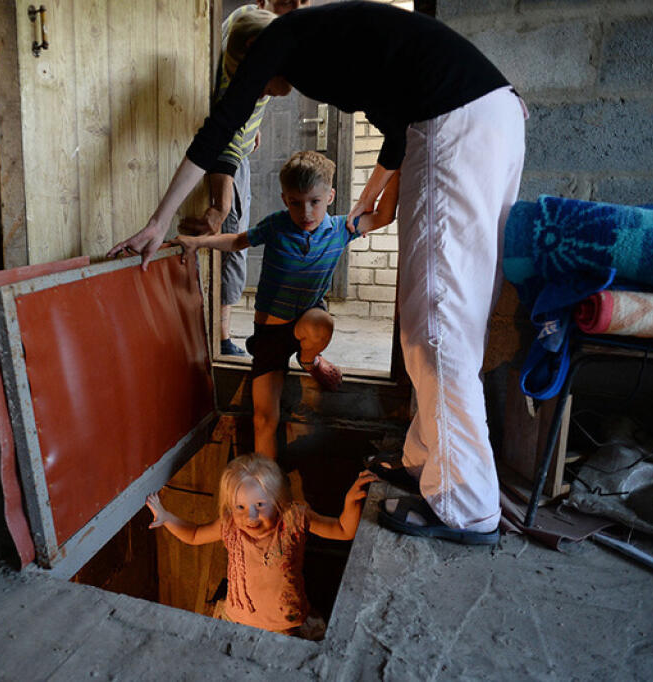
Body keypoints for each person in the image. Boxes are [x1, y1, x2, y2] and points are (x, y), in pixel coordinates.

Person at [109, 1, 525, 545]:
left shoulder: (279, 40)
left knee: (439, 324)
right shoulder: (331, 44)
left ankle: (467, 508)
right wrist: (366, 200)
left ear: (251, 57)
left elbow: (219, 133)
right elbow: (396, 140)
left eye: (254, 81)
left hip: (457, 121)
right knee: (429, 320)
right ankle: (425, 464)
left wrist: (157, 221)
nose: (261, 92)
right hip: (478, 120)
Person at [175, 150, 398, 458]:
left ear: (330, 196)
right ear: (284, 199)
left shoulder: (340, 229)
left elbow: (385, 215)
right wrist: (198, 243)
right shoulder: (277, 225)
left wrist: (397, 166)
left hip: (307, 323)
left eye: (314, 202)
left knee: (322, 324)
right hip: (269, 337)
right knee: (264, 419)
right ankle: (269, 495)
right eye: (296, 202)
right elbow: (237, 241)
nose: (306, 212)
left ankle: (310, 361)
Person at [180, 2, 309, 358]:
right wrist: (221, 203)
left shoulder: (250, 21)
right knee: (230, 234)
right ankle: (220, 339)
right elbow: (224, 135)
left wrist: (255, 124)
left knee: (233, 234)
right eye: (288, 1)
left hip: (238, 147)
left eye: (304, 0)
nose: (298, 7)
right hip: (229, 154)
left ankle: (221, 335)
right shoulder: (248, 47)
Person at [146, 455, 377, 638]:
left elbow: (343, 530)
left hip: (286, 627)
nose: (251, 516)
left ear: (278, 501)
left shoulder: (293, 518)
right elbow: (195, 534)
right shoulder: (230, 526)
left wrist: (351, 504)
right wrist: (167, 518)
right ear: (229, 506)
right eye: (240, 507)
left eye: (260, 504)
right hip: (236, 623)